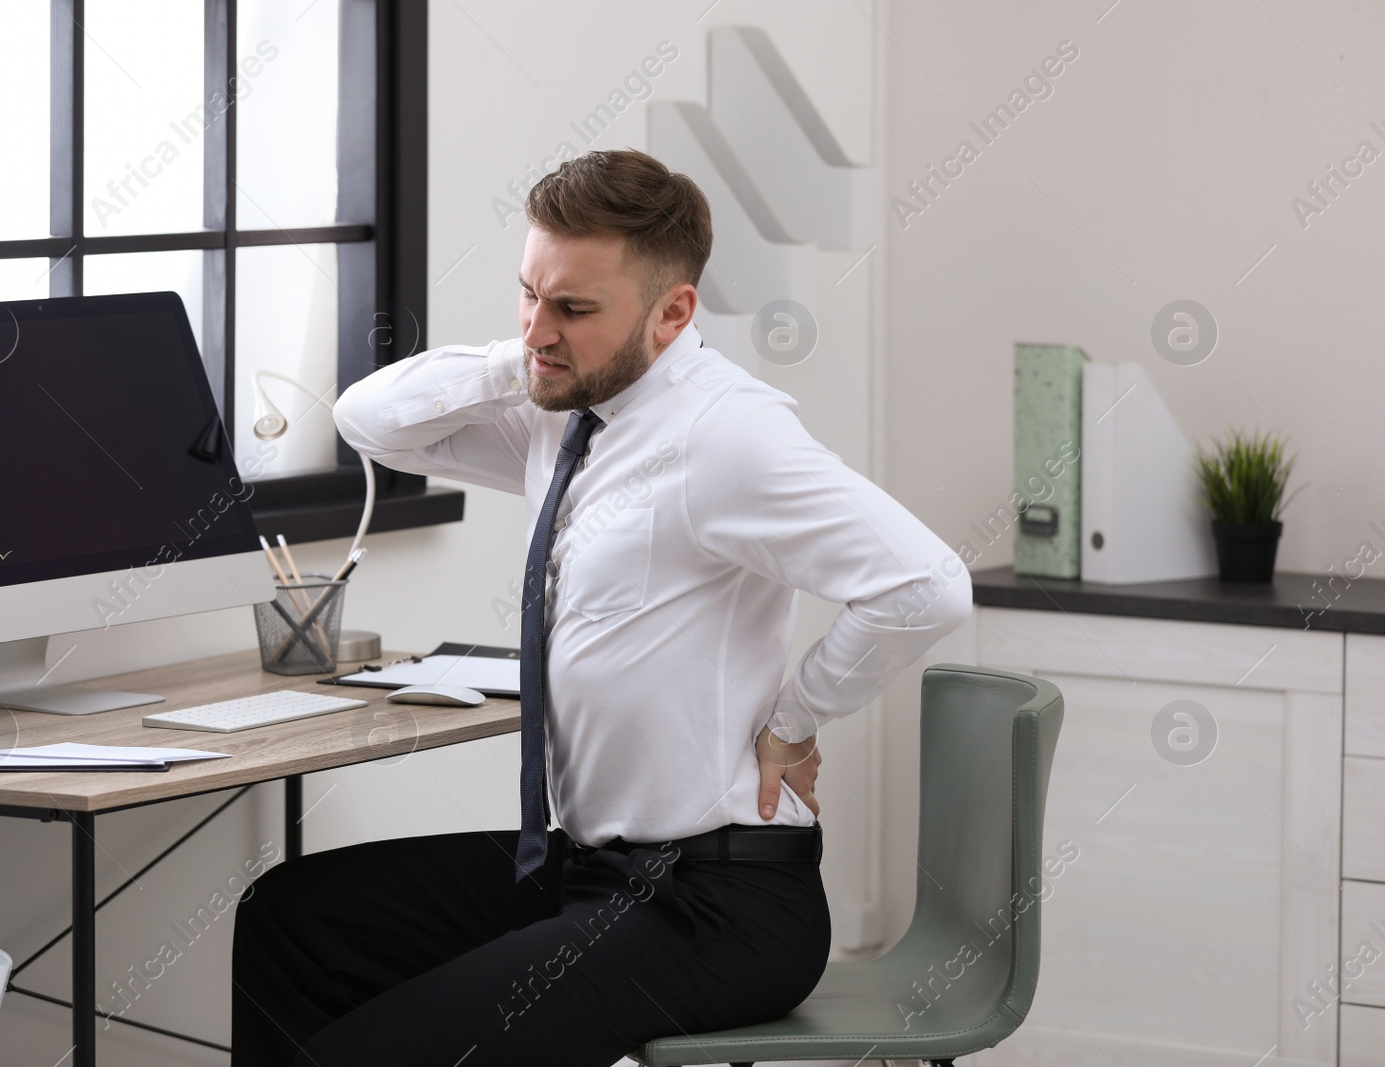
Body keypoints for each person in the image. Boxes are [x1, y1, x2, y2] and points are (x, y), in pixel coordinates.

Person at [231, 148, 970, 1066]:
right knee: (293, 919)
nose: (540, 326)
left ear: (673, 313)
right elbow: (368, 419)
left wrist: (793, 717)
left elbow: (927, 582)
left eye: (574, 308)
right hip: (586, 870)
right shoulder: (562, 411)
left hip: (716, 904)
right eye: (529, 294)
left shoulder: (727, 435)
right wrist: (527, 356)